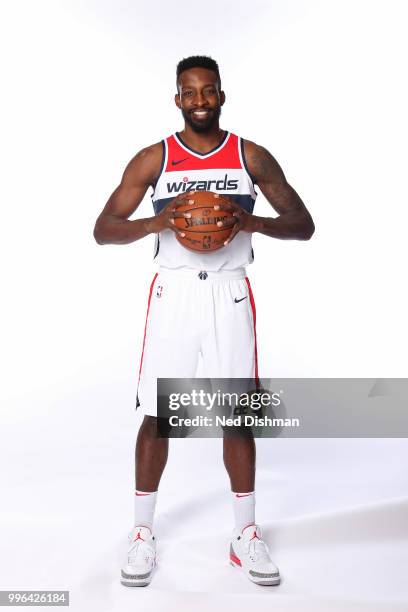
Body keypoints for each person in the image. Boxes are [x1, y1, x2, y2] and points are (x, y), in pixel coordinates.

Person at [93, 55, 314, 588]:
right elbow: (103, 228)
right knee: (159, 412)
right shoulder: (155, 159)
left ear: (221, 95)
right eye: (189, 92)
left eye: (208, 91)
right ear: (177, 98)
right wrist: (157, 221)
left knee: (237, 415)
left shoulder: (250, 156)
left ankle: (245, 535)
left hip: (230, 292)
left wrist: (250, 220)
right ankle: (143, 534)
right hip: (173, 294)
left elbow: (303, 224)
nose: (199, 101)